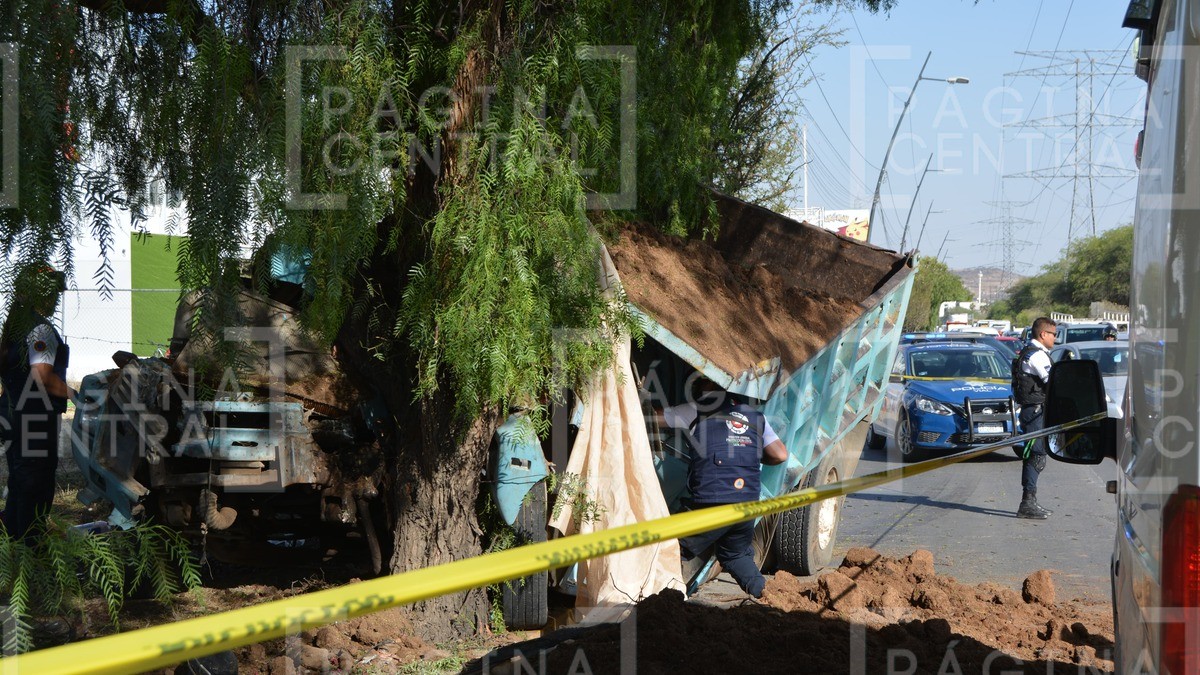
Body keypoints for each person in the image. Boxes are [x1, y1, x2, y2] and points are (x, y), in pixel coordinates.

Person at [663, 376, 788, 597]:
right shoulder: (756, 416)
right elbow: (780, 454)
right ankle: (770, 597)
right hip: (747, 504)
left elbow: (654, 419)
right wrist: (751, 455)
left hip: (713, 502)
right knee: (735, 555)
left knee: (669, 544)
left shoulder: (694, 410)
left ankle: (658, 601)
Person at [0, 264, 73, 541]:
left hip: (12, 413)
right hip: (35, 418)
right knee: (36, 486)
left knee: (20, 482)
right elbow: (43, 376)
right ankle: (32, 551)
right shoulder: (40, 329)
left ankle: (15, 546)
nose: (56, 298)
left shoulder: (15, 324)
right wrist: (76, 394)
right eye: (53, 291)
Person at [1011, 317, 1056, 520]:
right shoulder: (1037, 356)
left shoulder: (1033, 352)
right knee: (1036, 454)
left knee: (1037, 454)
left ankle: (1030, 500)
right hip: (1035, 411)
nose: (1055, 338)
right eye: (1054, 334)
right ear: (1043, 334)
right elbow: (1052, 383)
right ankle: (1027, 503)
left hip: (1036, 410)